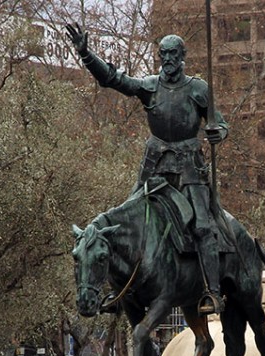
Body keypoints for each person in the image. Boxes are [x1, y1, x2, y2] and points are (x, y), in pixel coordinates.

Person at [65, 24, 228, 315]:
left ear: (182, 56)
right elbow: (113, 80)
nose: (167, 59)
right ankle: (122, 291)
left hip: (189, 168)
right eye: (163, 54)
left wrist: (219, 132)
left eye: (172, 54)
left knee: (203, 227)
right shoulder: (150, 87)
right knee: (127, 217)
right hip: (154, 167)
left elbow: (219, 122)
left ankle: (212, 292)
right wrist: (86, 54)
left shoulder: (198, 89)